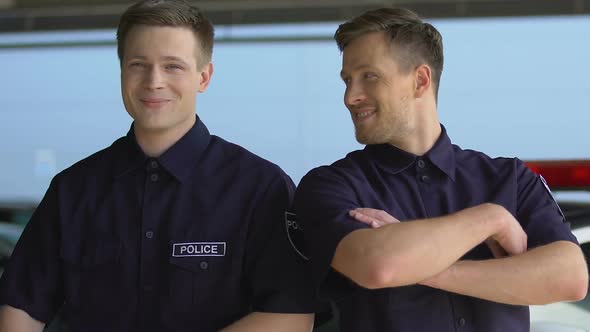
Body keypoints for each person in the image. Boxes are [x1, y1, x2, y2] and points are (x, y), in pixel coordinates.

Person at [0, 1, 316, 331]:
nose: (154, 81)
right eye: (139, 64)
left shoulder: (260, 188)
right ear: (122, 70)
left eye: (172, 66)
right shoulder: (72, 190)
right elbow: (21, 308)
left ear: (204, 77)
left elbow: (290, 316)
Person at [293, 7, 588, 332]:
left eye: (369, 76)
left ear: (420, 80)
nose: (351, 96)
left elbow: (569, 279)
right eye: (347, 80)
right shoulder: (332, 185)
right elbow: (378, 267)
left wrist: (426, 267)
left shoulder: (512, 179)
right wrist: (490, 218)